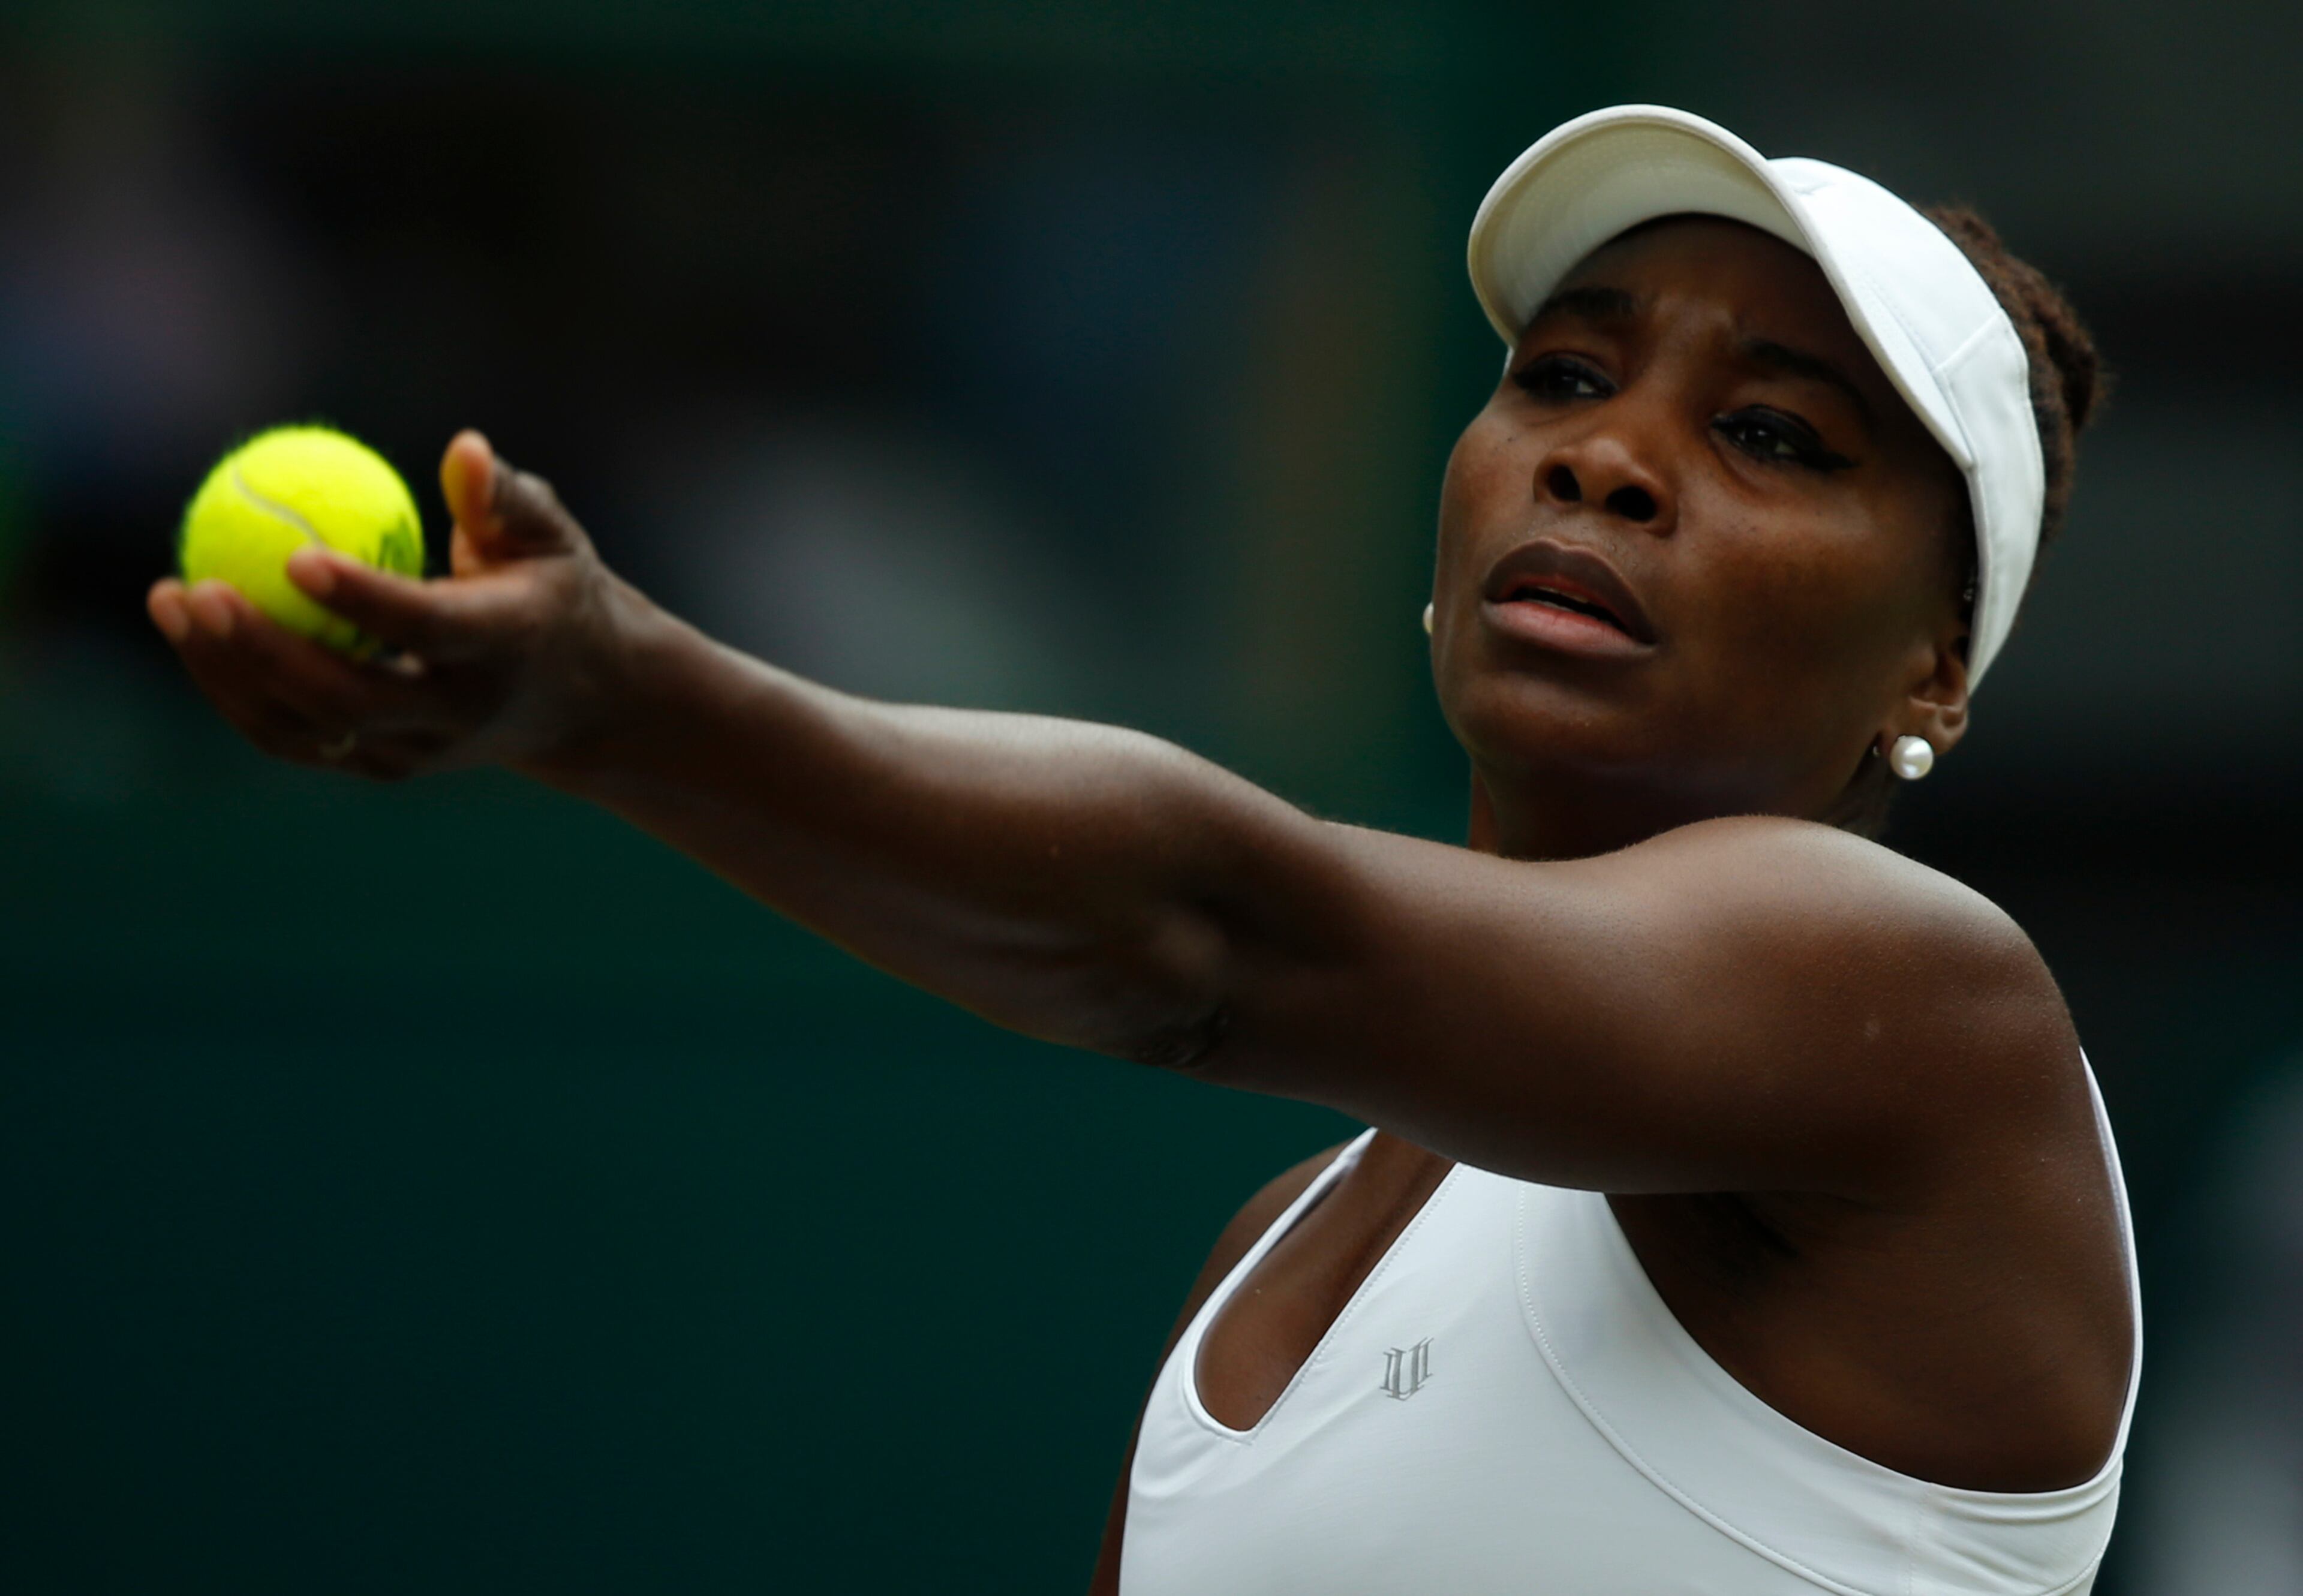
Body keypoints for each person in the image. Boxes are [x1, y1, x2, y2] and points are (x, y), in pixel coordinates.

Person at [146, 105, 2137, 1594]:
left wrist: (626, 702)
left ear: (1938, 667)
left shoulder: (1923, 1011)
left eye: (1775, 436)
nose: (1606, 456)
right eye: (1566, 374)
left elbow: (1216, 935)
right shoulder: (1268, 1254)